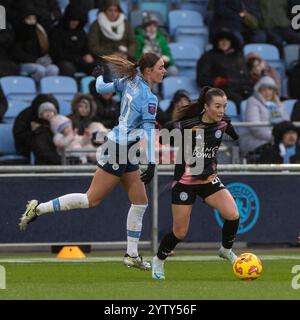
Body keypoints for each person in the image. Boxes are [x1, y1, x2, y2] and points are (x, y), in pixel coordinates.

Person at [19, 53, 166, 271]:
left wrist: (99, 77)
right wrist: (152, 162)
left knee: (140, 201)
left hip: (125, 147)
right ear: (148, 71)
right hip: (119, 149)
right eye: (161, 67)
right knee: (91, 199)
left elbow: (101, 88)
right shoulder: (148, 97)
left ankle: (132, 254)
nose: (164, 70)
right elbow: (148, 131)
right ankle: (38, 209)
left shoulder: (130, 81)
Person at [151, 86, 240, 280]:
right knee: (180, 232)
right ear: (206, 107)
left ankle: (226, 250)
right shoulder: (185, 125)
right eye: (217, 106)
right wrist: (151, 162)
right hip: (185, 183)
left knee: (233, 214)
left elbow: (234, 134)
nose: (221, 110)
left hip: (209, 180)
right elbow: (159, 136)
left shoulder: (223, 123)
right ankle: (159, 259)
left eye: (224, 106)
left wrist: (233, 132)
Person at [196, 28, 252, 113]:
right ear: (217, 42)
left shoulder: (237, 56)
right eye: (221, 40)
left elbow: (245, 75)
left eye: (227, 40)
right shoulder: (208, 57)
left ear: (231, 42)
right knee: (237, 99)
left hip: (241, 87)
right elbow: (201, 79)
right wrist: (216, 82)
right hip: (220, 90)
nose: (224, 42)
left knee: (253, 98)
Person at [239, 76, 289, 156]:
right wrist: (275, 137)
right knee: (272, 150)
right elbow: (255, 127)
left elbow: (286, 123)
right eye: (264, 89)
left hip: (276, 140)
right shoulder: (253, 101)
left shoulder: (278, 104)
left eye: (270, 89)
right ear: (258, 90)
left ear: (274, 91)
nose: (267, 92)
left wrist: (282, 136)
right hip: (255, 140)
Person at [13, 6, 59, 82]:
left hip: (39, 61)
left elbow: (44, 49)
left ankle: (48, 91)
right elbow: (16, 53)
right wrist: (35, 60)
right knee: (40, 70)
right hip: (23, 63)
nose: (31, 21)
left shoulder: (39, 32)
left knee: (53, 69)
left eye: (33, 19)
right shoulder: (19, 32)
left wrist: (46, 58)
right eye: (29, 19)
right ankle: (35, 90)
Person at [134, 13, 178, 77]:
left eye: (154, 26)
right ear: (144, 27)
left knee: (173, 70)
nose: (152, 28)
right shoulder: (139, 38)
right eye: (149, 25)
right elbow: (135, 55)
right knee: (137, 71)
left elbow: (168, 54)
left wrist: (166, 59)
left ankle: (162, 86)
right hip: (145, 66)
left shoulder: (161, 38)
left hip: (160, 65)